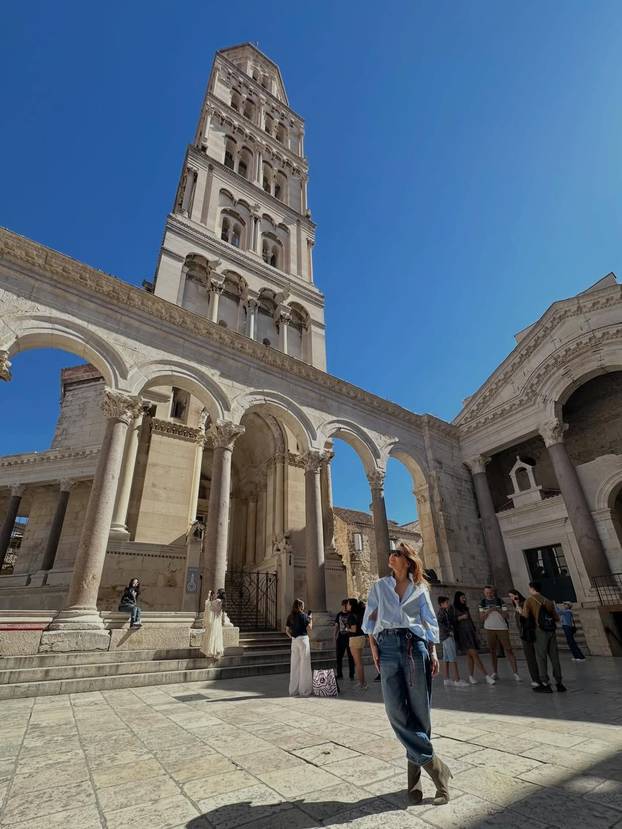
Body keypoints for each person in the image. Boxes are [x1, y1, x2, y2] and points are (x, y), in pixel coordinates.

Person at [363, 542, 452, 807]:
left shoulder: (420, 589)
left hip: (416, 649)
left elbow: (429, 622)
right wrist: (374, 648)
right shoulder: (379, 587)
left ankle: (414, 781)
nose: (391, 555)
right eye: (390, 552)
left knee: (419, 715)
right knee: (396, 713)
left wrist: (433, 652)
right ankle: (439, 770)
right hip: (388, 648)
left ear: (409, 561)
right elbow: (369, 621)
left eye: (397, 553)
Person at [522, 581, 566, 693]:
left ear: (532, 588)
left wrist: (519, 609)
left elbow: (525, 616)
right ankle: (559, 682)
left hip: (539, 631)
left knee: (541, 657)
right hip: (551, 630)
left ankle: (545, 682)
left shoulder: (530, 600)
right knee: (554, 657)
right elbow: (556, 617)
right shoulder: (548, 601)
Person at [478, 585, 521, 682]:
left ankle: (515, 673)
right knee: (492, 651)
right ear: (484, 593)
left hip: (502, 628)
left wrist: (497, 610)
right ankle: (495, 672)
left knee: (508, 650)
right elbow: (481, 618)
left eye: (490, 592)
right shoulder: (482, 603)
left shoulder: (500, 601)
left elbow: (507, 616)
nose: (489, 594)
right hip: (489, 628)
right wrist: (489, 611)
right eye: (487, 593)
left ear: (493, 592)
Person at [453, 592, 495, 685]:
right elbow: (453, 620)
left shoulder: (466, 608)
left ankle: (471, 676)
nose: (464, 599)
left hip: (470, 633)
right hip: (463, 635)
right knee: (474, 654)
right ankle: (486, 675)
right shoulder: (454, 609)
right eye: (462, 597)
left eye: (464, 597)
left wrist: (475, 633)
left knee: (470, 656)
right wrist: (461, 617)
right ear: (458, 598)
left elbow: (470, 620)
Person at [508, 589, 540, 687]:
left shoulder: (524, 603)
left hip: (530, 633)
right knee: (530, 657)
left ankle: (538, 678)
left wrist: (517, 605)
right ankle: (535, 678)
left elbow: (525, 616)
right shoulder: (518, 605)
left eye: (512, 596)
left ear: (517, 595)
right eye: (510, 597)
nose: (511, 598)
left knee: (533, 657)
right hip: (524, 634)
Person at [437, 596, 468, 687]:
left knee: (446, 658)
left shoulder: (445, 612)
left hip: (444, 637)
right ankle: (457, 679)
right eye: (446, 602)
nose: (448, 604)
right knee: (453, 657)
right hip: (447, 637)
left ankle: (446, 679)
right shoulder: (442, 613)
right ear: (441, 604)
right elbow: (440, 624)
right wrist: (449, 631)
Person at [286, 599, 313, 697]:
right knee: (304, 664)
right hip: (303, 639)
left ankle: (293, 690)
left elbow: (287, 630)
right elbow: (309, 628)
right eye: (303, 606)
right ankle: (304, 690)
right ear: (301, 606)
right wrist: (311, 618)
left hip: (294, 640)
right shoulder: (304, 615)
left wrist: (292, 637)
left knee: (294, 665)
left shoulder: (290, 616)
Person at [346, 598, 367, 690]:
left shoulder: (351, 615)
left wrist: (346, 629)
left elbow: (353, 629)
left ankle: (362, 683)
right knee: (359, 662)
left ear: (351, 605)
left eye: (348, 604)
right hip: (361, 637)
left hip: (355, 638)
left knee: (358, 662)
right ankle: (362, 682)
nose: (347, 606)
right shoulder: (359, 614)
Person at [334, 599, 355, 680]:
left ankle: (351, 674)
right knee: (339, 657)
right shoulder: (339, 614)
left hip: (349, 637)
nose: (345, 607)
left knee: (351, 656)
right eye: (344, 605)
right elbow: (336, 626)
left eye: (346, 605)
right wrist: (334, 635)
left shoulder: (351, 614)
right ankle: (339, 674)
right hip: (341, 637)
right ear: (342, 605)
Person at [201, 589, 224, 658]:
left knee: (213, 635)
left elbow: (208, 605)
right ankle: (217, 651)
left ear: (218, 594)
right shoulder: (222, 602)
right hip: (218, 620)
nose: (216, 594)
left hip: (215, 620)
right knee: (217, 636)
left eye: (217, 593)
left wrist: (208, 596)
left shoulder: (217, 601)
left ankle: (212, 652)